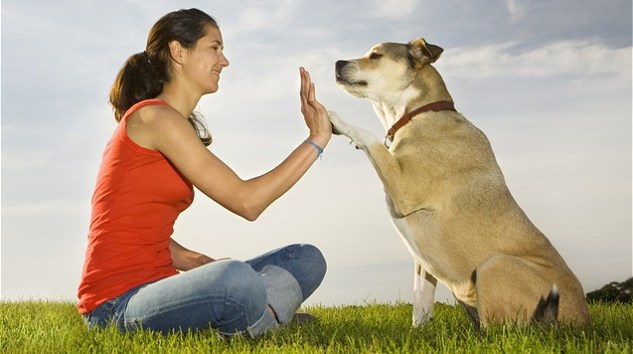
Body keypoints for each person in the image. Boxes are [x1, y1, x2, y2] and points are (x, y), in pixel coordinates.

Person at [77, 8, 330, 337]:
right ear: (178, 51)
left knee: (307, 259)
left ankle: (254, 315)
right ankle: (262, 320)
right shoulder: (154, 117)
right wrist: (317, 139)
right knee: (236, 280)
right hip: (115, 305)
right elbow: (246, 202)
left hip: (161, 290)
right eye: (215, 47)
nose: (224, 61)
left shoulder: (171, 123)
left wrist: (200, 264)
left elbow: (139, 227)